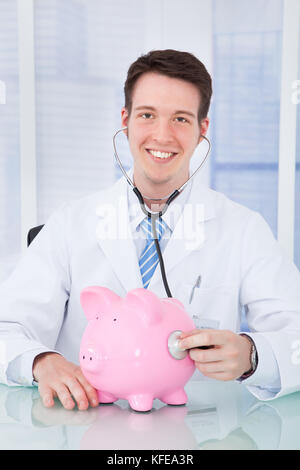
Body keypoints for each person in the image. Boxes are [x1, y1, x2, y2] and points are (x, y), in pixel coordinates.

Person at [0, 49, 300, 411]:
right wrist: (40, 362)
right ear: (125, 120)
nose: (163, 135)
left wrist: (254, 355)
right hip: (85, 427)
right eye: (147, 115)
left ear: (202, 129)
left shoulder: (243, 229)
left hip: (196, 429)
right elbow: (7, 326)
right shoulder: (70, 223)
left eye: (181, 119)